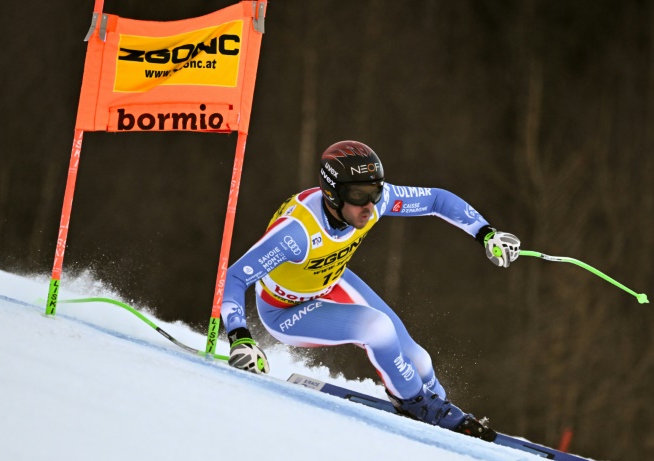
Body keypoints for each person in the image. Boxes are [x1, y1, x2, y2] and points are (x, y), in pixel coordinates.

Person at [221, 141, 520, 440]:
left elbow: (437, 200)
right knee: (377, 329)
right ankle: (415, 404)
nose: (370, 205)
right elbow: (234, 277)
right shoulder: (296, 233)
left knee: (420, 361)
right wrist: (240, 338)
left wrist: (486, 233)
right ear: (332, 193)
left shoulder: (373, 203)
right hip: (286, 310)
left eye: (375, 192)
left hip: (331, 280)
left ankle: (436, 404)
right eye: (359, 195)